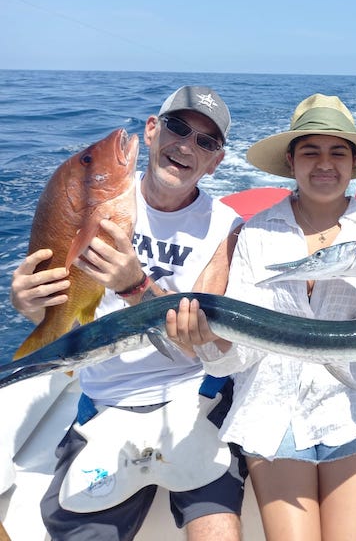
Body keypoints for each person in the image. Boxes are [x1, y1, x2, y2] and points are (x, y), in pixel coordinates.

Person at [167, 93, 356, 541]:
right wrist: (207, 344)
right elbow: (239, 357)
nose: (324, 164)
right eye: (310, 152)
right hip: (272, 415)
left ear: (354, 164)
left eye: (337, 152)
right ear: (291, 161)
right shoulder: (256, 234)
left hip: (353, 410)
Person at [11, 86, 247, 541]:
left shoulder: (227, 226)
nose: (186, 145)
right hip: (103, 400)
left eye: (206, 142)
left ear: (216, 161)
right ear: (153, 131)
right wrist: (29, 302)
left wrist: (135, 287)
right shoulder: (88, 205)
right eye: (178, 128)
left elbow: (210, 341)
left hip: (193, 395)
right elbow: (61, 297)